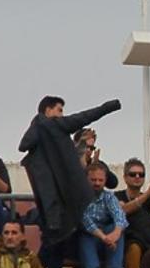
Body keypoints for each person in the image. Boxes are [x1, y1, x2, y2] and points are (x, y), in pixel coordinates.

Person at [19, 95, 122, 252]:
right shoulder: (58, 125)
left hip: (53, 211)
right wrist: (109, 106)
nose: (62, 115)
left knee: (53, 247)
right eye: (59, 110)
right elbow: (85, 116)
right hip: (71, 202)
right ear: (48, 110)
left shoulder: (36, 135)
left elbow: (23, 145)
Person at [76, 161, 127, 268]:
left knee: (115, 228)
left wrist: (115, 233)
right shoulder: (79, 197)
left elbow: (119, 215)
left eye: (100, 180)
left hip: (106, 236)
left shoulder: (108, 196)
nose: (97, 183)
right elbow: (86, 221)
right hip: (90, 234)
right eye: (93, 180)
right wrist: (104, 237)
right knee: (84, 236)